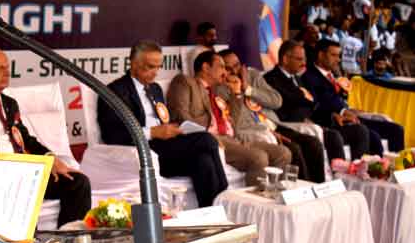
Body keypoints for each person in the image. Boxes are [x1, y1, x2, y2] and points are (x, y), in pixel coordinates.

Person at [0, 48, 91, 227]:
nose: (7, 73)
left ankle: (69, 237)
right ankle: (29, 241)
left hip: (25, 171)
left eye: (7, 67)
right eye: (0, 68)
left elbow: (26, 139)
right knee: (20, 191)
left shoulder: (9, 104)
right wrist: (6, 167)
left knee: (78, 182)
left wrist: (51, 159)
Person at [98, 41, 228, 207]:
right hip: (144, 152)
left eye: (158, 67)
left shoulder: (155, 89)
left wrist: (174, 129)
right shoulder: (115, 91)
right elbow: (111, 135)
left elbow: (164, 118)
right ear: (134, 64)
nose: (155, 72)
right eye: (150, 67)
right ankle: (225, 197)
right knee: (206, 139)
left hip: (167, 148)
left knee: (203, 161)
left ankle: (212, 212)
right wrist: (152, 132)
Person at [167, 51, 291, 186]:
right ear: (206, 67)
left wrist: (236, 93)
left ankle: (275, 192)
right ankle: (257, 198)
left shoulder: (215, 90)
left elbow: (233, 122)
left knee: (283, 153)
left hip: (233, 138)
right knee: (259, 157)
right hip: (211, 140)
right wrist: (207, 137)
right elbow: (181, 116)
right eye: (221, 67)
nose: (225, 72)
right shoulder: (185, 82)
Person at [219, 49, 326, 182]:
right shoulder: (221, 87)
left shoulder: (252, 76)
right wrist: (236, 91)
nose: (235, 71)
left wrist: (248, 89)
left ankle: (317, 187)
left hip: (274, 125)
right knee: (294, 150)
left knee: (313, 143)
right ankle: (300, 188)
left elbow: (276, 101)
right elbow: (235, 122)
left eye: (237, 65)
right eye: (228, 69)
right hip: (255, 132)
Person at [264, 40, 363, 161]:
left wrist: (332, 116)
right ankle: (338, 170)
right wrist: (307, 118)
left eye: (304, 59)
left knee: (359, 129)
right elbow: (284, 108)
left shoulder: (297, 78)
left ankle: (359, 168)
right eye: (299, 59)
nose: (304, 63)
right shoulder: (271, 79)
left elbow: (312, 104)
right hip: (291, 126)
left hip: (315, 122)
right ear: (285, 59)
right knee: (332, 137)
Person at [303, 39, 404, 153]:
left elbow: (339, 99)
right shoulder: (309, 77)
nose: (338, 59)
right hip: (334, 121)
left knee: (396, 129)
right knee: (374, 138)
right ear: (321, 55)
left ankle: (399, 162)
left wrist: (349, 109)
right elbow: (315, 105)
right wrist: (341, 112)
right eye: (334, 55)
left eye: (339, 56)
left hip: (351, 116)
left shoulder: (334, 75)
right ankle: (375, 164)